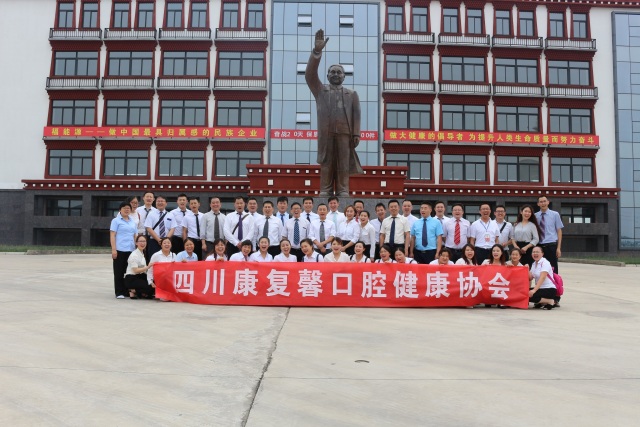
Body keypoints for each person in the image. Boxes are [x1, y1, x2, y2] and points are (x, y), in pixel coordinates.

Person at [306, 28, 363, 196]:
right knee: (327, 161)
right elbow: (309, 75)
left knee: (343, 162)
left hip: (345, 133)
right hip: (327, 132)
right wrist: (317, 52)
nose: (336, 74)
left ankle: (343, 189)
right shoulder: (320, 91)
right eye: (332, 72)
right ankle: (325, 189)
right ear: (327, 75)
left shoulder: (352, 94)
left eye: (339, 72)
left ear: (344, 76)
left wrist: (356, 133)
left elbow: (356, 114)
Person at [110, 201, 138, 299]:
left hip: (130, 250)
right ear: (120, 210)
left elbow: (135, 235)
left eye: (128, 208)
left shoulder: (132, 221)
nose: (126, 210)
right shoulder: (116, 221)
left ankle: (126, 291)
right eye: (124, 208)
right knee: (119, 272)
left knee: (129, 271)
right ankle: (119, 292)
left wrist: (137, 249)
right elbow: (112, 235)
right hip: (120, 249)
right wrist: (114, 249)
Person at [535, 195, 564, 273]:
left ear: (548, 202)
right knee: (539, 268)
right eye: (541, 202)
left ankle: (554, 281)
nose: (543, 203)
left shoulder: (555, 214)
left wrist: (558, 248)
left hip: (551, 245)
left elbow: (559, 231)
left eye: (544, 201)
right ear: (538, 204)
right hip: (539, 245)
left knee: (553, 268)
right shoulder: (535, 216)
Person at [182, 196, 204, 261]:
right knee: (192, 259)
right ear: (189, 205)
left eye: (195, 203)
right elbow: (184, 231)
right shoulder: (186, 217)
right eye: (191, 204)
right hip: (192, 241)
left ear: (199, 204)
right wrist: (185, 243)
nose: (193, 205)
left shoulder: (203, 216)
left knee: (202, 259)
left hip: (202, 240)